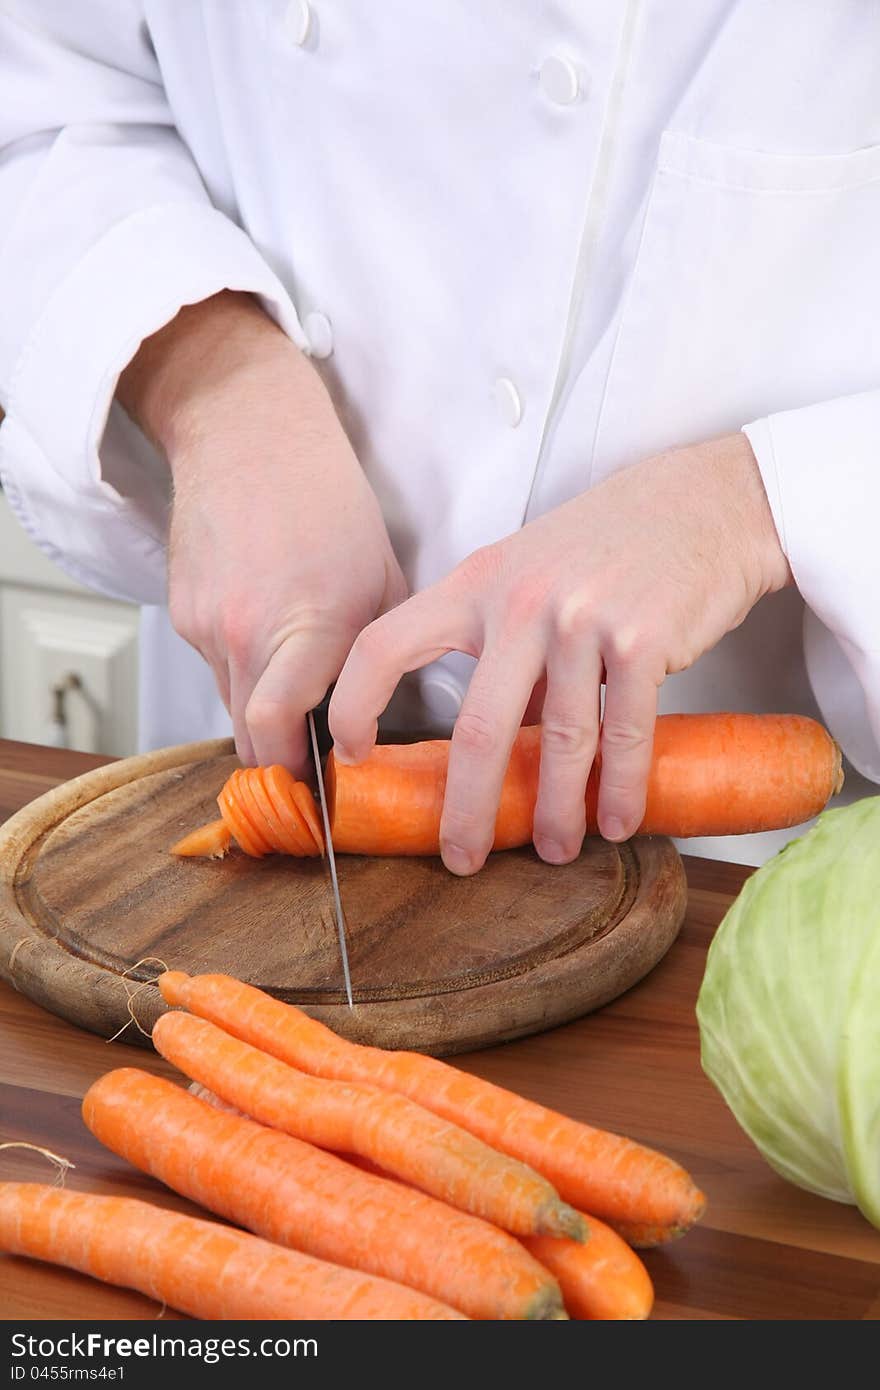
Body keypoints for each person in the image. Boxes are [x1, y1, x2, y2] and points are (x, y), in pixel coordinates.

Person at [0, 2, 877, 873]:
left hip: (757, 858)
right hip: (262, 773)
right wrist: (217, 390)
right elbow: (43, 91)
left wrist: (758, 503)